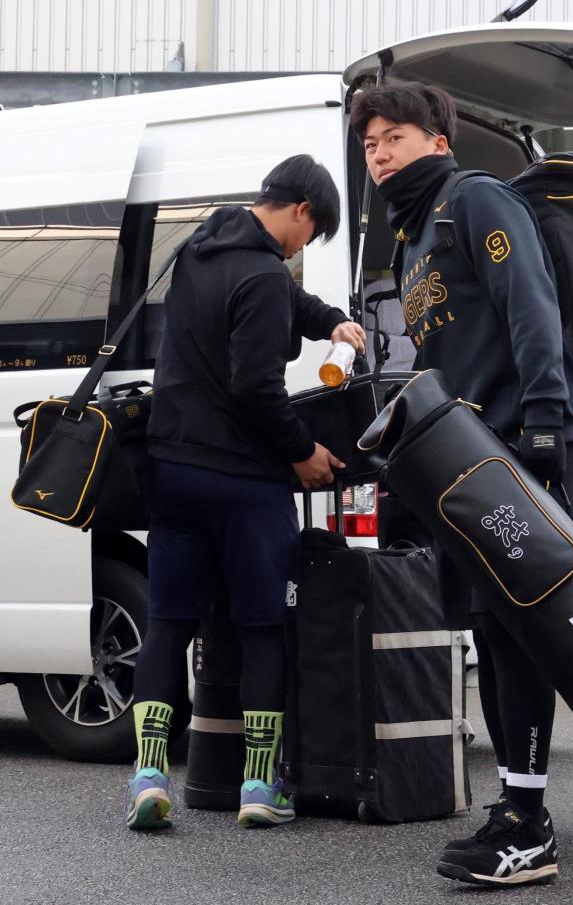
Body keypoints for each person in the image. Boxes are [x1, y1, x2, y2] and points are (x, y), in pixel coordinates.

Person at [352, 81, 573, 887]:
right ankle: (518, 810)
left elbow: (531, 303)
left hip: (526, 441)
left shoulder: (477, 200)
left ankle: (531, 824)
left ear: (437, 140)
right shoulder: (415, 242)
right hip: (473, 459)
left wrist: (550, 421)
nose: (379, 154)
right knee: (491, 629)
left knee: (519, 625)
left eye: (394, 137)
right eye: (369, 144)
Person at [124, 154, 366, 831]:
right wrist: (303, 453)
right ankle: (260, 787)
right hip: (244, 483)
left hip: (173, 472)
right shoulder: (262, 273)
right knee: (263, 628)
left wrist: (330, 322)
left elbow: (282, 301)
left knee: (170, 623)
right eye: (308, 238)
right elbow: (256, 387)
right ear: (302, 212)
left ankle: (148, 776)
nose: (301, 250)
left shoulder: (201, 248)